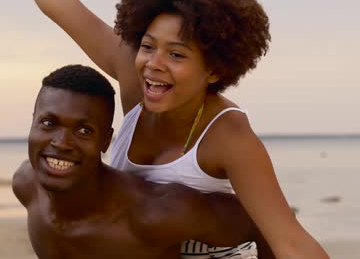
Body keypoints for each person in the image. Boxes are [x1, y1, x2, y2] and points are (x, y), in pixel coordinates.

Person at [0, 0, 329, 258]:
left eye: (177, 54)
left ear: (213, 70)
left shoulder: (228, 136)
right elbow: (58, 1)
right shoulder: (135, 80)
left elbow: (290, 241)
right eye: (147, 46)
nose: (154, 64)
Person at [14, 64, 273, 259]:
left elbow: (264, 227)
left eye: (84, 131)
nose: (61, 142)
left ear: (106, 141)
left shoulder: (153, 214)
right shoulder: (26, 185)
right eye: (48, 123)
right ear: (32, 124)